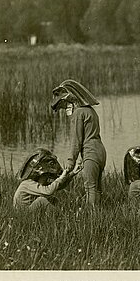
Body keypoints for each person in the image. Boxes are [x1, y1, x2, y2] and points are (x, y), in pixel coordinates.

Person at [51, 79, 107, 207]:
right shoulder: (90, 111)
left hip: (90, 151)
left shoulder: (78, 113)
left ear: (69, 100)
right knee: (97, 187)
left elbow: (76, 140)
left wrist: (71, 162)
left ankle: (91, 217)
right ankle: (98, 213)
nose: (64, 108)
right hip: (100, 150)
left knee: (90, 187)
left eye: (64, 105)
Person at [13, 148, 81, 211]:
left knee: (52, 199)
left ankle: (61, 212)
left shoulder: (37, 183)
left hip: (29, 208)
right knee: (41, 200)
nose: (48, 178)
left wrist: (72, 174)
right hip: (23, 211)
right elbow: (48, 191)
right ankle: (60, 215)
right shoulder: (27, 184)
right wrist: (60, 178)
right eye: (46, 175)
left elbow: (57, 186)